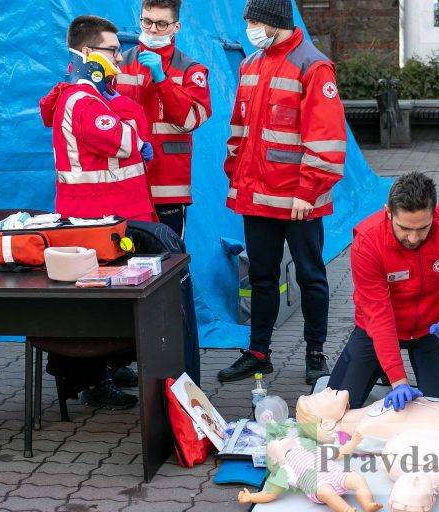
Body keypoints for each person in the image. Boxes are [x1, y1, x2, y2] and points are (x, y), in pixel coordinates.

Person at [218, 0, 347, 385]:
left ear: (275, 21)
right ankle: (259, 353)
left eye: (255, 20)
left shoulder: (313, 65)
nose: (250, 28)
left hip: (299, 200)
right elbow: (239, 131)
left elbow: (326, 138)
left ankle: (315, 353)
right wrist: (237, 177)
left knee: (310, 276)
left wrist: (306, 192)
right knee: (261, 277)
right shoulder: (250, 65)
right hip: (257, 196)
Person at [39, 15, 156, 409]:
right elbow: (124, 139)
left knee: (115, 300)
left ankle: (110, 365)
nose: (119, 59)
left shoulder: (92, 97)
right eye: (111, 50)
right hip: (93, 219)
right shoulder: (82, 99)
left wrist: (126, 114)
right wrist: (130, 117)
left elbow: (131, 129)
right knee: (100, 305)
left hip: (109, 215)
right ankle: (94, 379)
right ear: (87, 53)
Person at [327, 172, 439, 411]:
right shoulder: (368, 241)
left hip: (431, 329)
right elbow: (378, 315)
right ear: (388, 212)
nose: (413, 237)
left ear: (434, 213)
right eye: (404, 228)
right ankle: (385, 367)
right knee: (337, 404)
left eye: (423, 228)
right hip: (378, 328)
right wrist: (398, 380)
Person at [117, 0, 212, 239]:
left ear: (176, 27)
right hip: (126, 181)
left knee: (170, 260)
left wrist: (162, 80)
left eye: (161, 24)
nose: (152, 30)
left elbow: (190, 120)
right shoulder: (120, 66)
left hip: (168, 186)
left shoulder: (192, 71)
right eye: (147, 22)